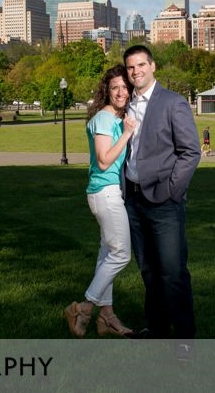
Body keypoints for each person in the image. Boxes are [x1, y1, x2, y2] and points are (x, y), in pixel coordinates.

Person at [122, 44, 201, 359]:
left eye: (141, 65)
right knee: (149, 271)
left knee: (173, 272)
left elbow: (190, 151)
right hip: (134, 199)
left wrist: (172, 189)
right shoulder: (126, 104)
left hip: (164, 201)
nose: (136, 71)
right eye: (131, 67)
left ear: (152, 66)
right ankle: (156, 331)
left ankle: (184, 340)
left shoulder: (172, 103)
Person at [64, 64, 138, 338]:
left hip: (106, 193)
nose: (120, 92)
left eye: (124, 87)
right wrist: (128, 134)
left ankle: (106, 318)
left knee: (107, 253)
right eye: (114, 87)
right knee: (120, 254)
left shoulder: (115, 117)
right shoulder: (106, 119)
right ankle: (83, 308)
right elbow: (105, 161)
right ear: (106, 91)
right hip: (105, 192)